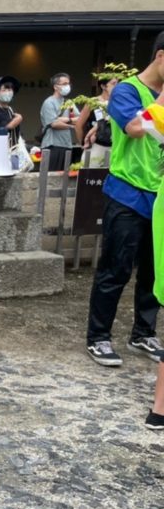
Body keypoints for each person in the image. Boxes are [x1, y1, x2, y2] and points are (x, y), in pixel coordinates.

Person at [86, 31, 164, 367]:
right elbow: (134, 127)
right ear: (160, 56)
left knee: (154, 271)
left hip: (160, 195)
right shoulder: (127, 90)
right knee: (115, 269)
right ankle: (98, 337)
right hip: (128, 194)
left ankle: (143, 333)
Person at [40, 72, 80, 172]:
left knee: (65, 176)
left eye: (68, 83)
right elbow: (54, 124)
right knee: (51, 176)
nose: (68, 86)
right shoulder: (49, 102)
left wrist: (64, 119)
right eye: (64, 84)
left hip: (67, 145)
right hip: (52, 145)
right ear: (55, 87)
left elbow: (79, 119)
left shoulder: (69, 102)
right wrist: (71, 124)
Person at [80, 73, 121, 168]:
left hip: (114, 146)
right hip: (96, 144)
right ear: (103, 86)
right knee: (91, 173)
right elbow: (79, 124)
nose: (117, 86)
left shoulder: (119, 102)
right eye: (113, 83)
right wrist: (83, 141)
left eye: (118, 83)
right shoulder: (93, 102)